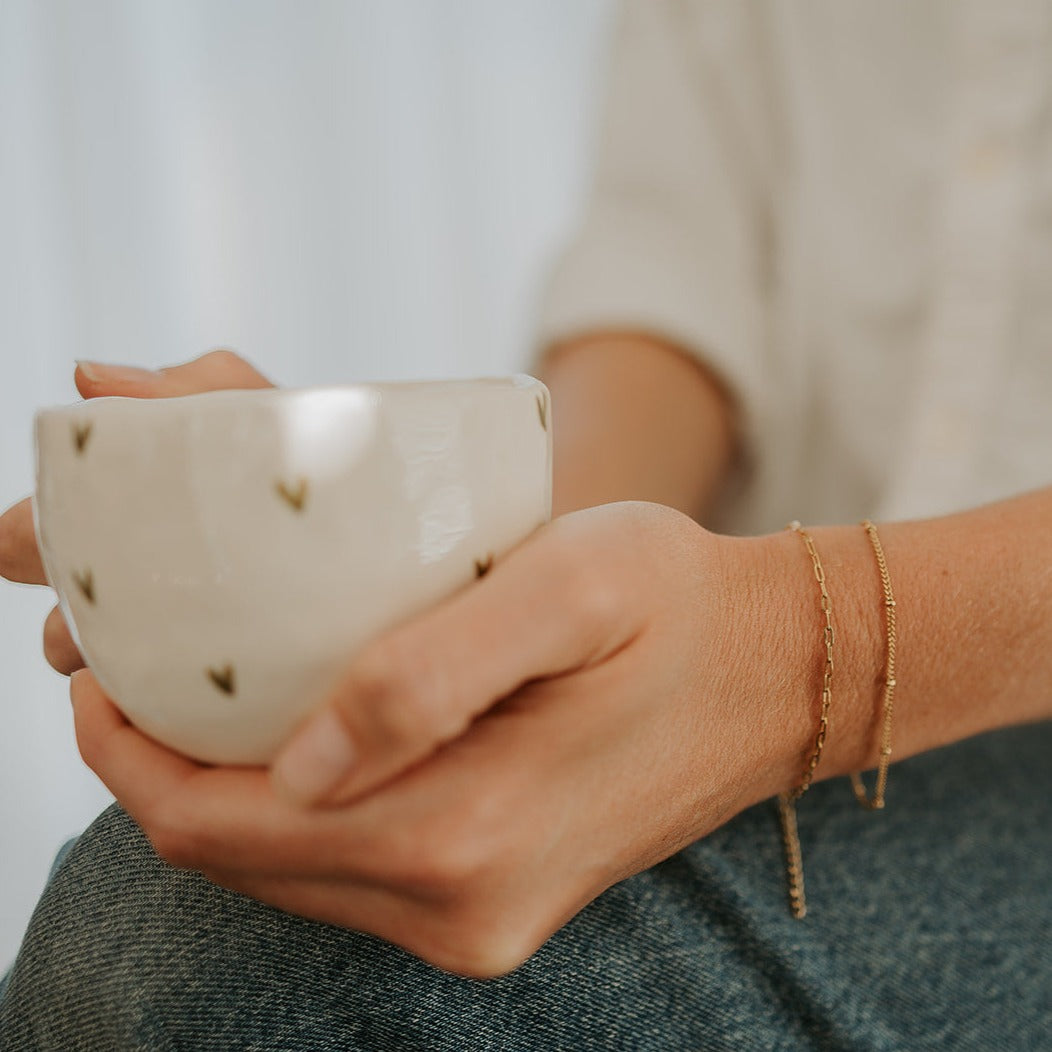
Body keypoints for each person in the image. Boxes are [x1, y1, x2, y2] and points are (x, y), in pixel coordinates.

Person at [2, 1, 1051, 1048]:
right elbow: (672, 289)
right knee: (187, 913)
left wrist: (800, 645)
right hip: (733, 651)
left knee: (189, 953)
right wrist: (452, 571)